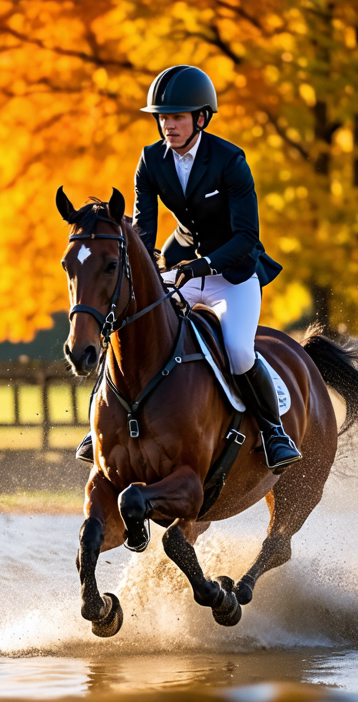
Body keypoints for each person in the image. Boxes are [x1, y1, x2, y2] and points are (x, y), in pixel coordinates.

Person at [76, 64, 302, 473]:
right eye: (162, 117)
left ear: (201, 118)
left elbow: (246, 237)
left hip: (231, 273)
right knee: (127, 328)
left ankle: (273, 432)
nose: (168, 125)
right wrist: (144, 272)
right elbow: (143, 231)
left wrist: (204, 265)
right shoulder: (150, 161)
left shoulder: (230, 160)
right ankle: (101, 428)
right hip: (180, 267)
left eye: (177, 116)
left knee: (236, 350)